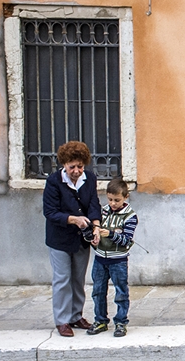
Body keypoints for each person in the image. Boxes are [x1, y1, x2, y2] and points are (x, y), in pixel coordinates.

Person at [43, 141, 101, 337]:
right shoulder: (53, 181)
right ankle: (62, 320)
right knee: (62, 279)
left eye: (80, 166)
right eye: (72, 167)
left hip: (81, 238)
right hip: (59, 238)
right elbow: (50, 212)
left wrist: (96, 228)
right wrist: (73, 220)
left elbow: (94, 204)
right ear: (64, 165)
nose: (76, 171)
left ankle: (76, 316)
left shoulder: (90, 179)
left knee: (78, 279)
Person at [87, 178, 138, 337]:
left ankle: (121, 322)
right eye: (110, 199)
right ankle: (100, 320)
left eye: (117, 200)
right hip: (100, 258)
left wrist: (110, 234)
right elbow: (93, 229)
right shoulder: (103, 211)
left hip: (119, 260)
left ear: (125, 197)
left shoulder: (130, 217)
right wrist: (92, 237)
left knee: (121, 292)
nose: (113, 203)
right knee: (98, 290)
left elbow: (126, 240)